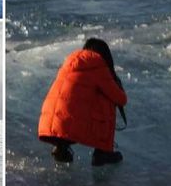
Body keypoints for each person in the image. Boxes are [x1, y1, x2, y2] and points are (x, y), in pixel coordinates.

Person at [38, 38, 128, 166]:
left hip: (49, 123)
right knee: (106, 99)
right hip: (67, 124)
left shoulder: (70, 62)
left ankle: (62, 148)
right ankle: (103, 152)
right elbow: (120, 99)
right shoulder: (97, 63)